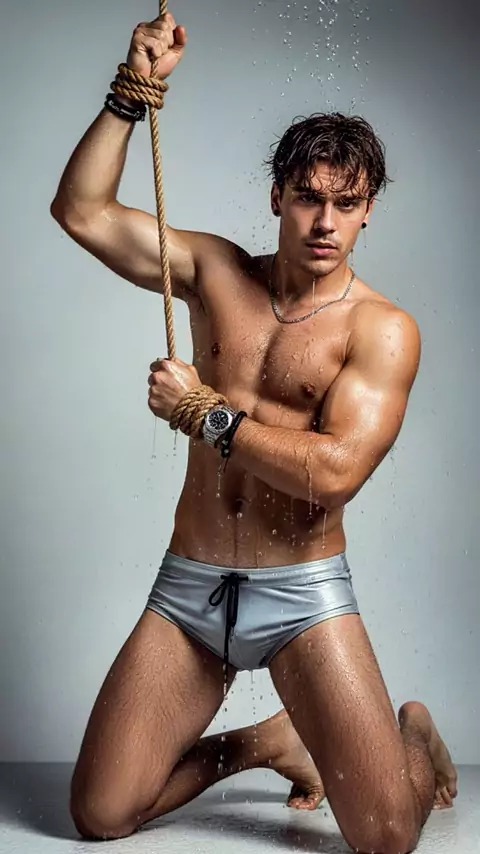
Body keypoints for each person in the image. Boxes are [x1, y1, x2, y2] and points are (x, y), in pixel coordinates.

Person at [50, 12, 458, 854]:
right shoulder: (215, 272)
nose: (325, 222)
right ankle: (263, 743)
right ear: (278, 196)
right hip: (190, 587)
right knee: (100, 815)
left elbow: (335, 472)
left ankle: (412, 735)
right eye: (308, 197)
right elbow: (82, 211)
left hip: (300, 597)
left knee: (386, 839)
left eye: (347, 204)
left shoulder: (381, 329)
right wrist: (133, 90)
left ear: (369, 212)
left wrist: (206, 413)